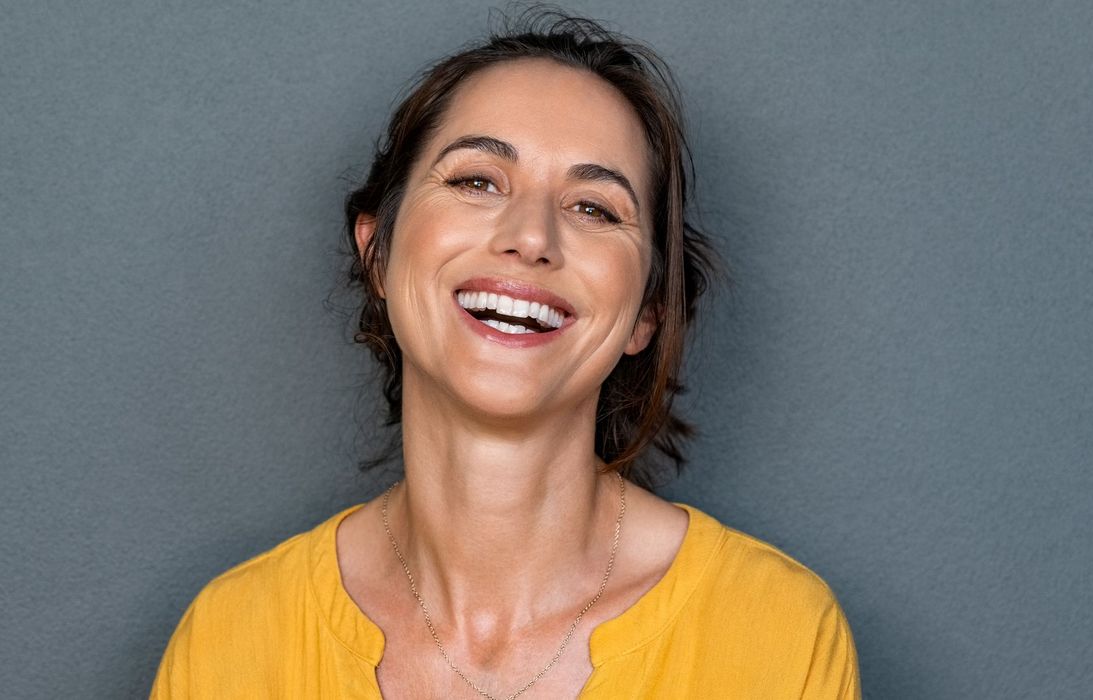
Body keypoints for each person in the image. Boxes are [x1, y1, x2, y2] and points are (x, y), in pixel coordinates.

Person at [151, 8, 859, 699]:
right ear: (379, 253)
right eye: (476, 181)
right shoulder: (232, 639)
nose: (530, 236)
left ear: (647, 312)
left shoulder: (777, 635)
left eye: (593, 207)